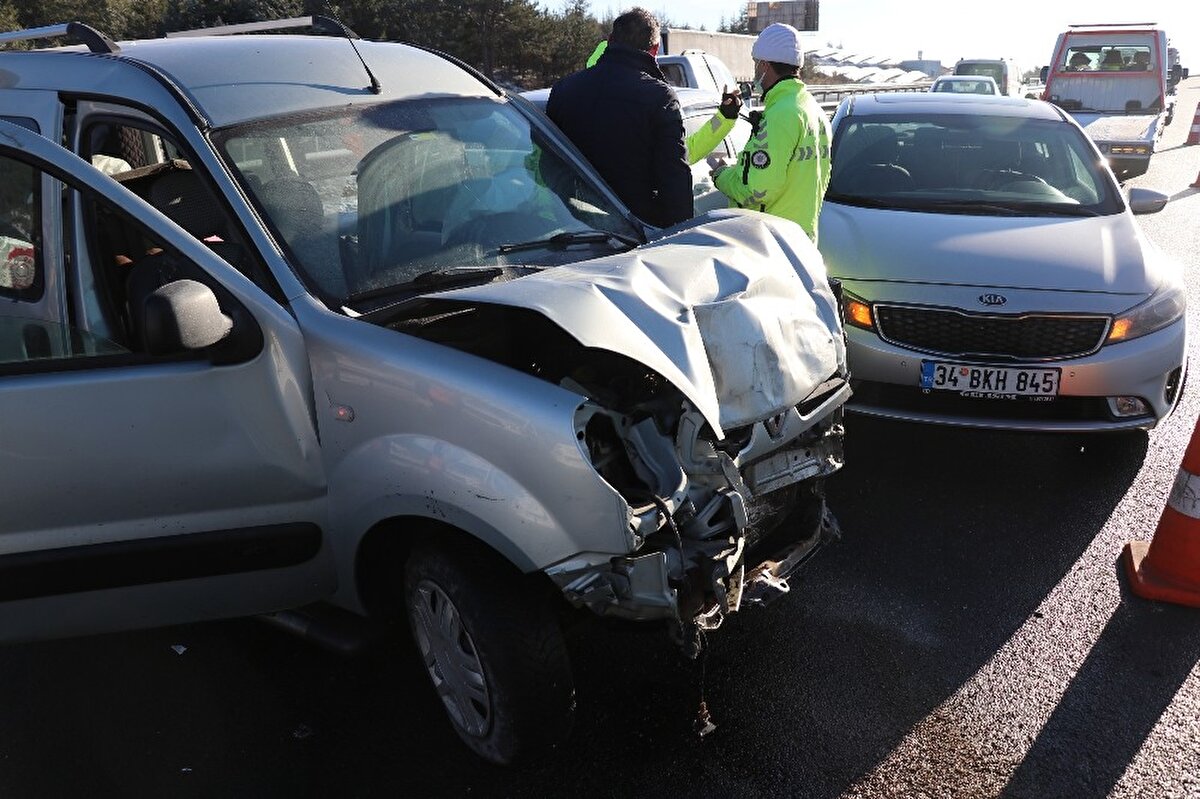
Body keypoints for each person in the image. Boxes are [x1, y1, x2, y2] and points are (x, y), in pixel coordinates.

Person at [546, 8, 692, 228]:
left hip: (573, 227)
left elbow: (548, 163)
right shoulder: (658, 96)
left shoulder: (564, 89)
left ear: (610, 41)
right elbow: (673, 175)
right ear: (654, 50)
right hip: (637, 233)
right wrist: (680, 235)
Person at [710, 22, 831, 244]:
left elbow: (757, 191)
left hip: (772, 245)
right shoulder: (814, 110)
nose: (755, 70)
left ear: (765, 66)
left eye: (756, 64)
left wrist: (721, 175)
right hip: (802, 241)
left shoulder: (781, 115)